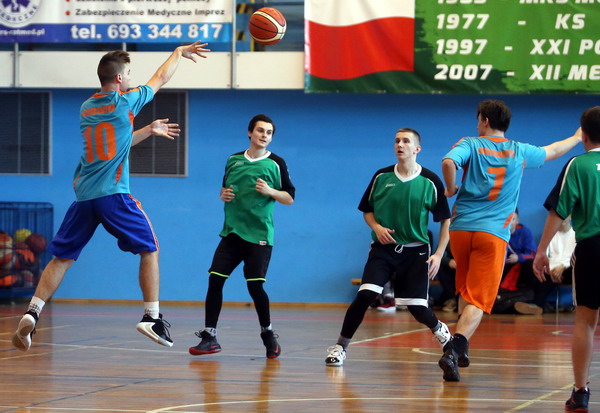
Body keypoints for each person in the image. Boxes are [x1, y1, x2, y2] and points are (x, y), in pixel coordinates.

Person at [11, 42, 210, 352]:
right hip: (113, 195)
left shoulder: (86, 108)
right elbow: (160, 77)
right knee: (150, 249)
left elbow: (116, 141)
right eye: (128, 73)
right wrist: (178, 53)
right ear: (119, 79)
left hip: (84, 196)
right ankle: (152, 317)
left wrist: (148, 129)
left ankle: (32, 312)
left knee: (62, 258)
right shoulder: (126, 101)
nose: (130, 78)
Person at [439, 99, 581, 382]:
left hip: (461, 229)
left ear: (485, 120)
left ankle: (462, 349)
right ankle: (454, 349)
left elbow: (448, 161)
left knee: (467, 292)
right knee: (479, 299)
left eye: (478, 119)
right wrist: (577, 137)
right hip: (492, 234)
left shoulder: (470, 143)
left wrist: (451, 187)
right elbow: (553, 151)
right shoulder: (519, 150)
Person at [325, 128, 452, 367]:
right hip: (383, 249)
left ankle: (440, 330)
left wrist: (438, 254)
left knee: (417, 310)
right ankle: (340, 347)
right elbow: (367, 210)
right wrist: (377, 227)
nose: (400, 145)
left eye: (406, 141)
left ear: (417, 148)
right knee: (365, 295)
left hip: (416, 252)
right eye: (397, 141)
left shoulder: (430, 180)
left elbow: (445, 220)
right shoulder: (381, 176)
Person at [189, 114, 295, 359]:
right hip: (232, 232)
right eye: (260, 130)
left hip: (259, 235)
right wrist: (223, 195)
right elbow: (225, 188)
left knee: (255, 286)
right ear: (250, 132)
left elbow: (289, 198)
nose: (264, 135)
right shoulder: (233, 160)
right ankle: (210, 337)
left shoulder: (276, 163)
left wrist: (270, 191)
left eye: (269, 132)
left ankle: (268, 334)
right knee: (215, 280)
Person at [533, 107, 600, 413]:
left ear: (583, 135)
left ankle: (580, 392)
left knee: (585, 321)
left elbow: (558, 211)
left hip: (592, 248)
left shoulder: (577, 165)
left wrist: (541, 251)